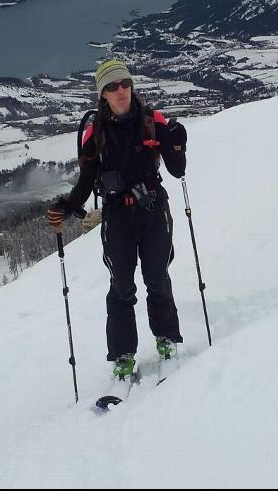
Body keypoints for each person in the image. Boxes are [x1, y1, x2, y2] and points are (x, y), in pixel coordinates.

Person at [46, 60, 188, 380]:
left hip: (153, 211)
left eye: (124, 83)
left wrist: (178, 143)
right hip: (117, 217)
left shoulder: (154, 121)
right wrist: (66, 206)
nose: (120, 90)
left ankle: (166, 338)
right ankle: (123, 354)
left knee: (157, 277)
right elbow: (86, 181)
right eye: (112, 86)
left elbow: (177, 169)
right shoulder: (95, 133)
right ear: (103, 94)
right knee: (121, 285)